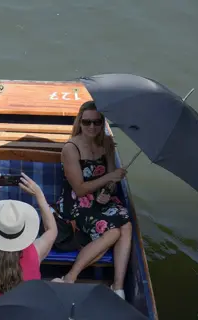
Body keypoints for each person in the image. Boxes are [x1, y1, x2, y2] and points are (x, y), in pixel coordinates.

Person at [52, 101, 132, 299]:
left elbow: (111, 178)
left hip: (101, 199)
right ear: (80, 121)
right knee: (114, 232)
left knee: (127, 225)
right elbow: (79, 189)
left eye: (97, 122)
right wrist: (108, 178)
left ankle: (118, 286)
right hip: (77, 202)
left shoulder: (107, 143)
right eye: (87, 122)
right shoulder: (71, 149)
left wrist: (110, 187)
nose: (92, 127)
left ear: (102, 122)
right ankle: (71, 276)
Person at [0, 171, 58, 314]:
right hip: (23, 316)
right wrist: (39, 195)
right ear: (23, 229)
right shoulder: (35, 252)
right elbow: (52, 230)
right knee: (58, 282)